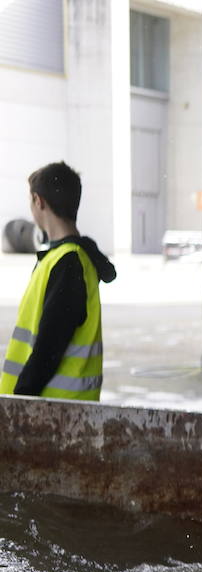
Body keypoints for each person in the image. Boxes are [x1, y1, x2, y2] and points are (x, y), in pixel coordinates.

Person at [1, 162, 115, 400]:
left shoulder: (68, 263)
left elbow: (48, 350)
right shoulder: (66, 258)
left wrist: (19, 402)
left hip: (51, 410)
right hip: (55, 408)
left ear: (38, 201)